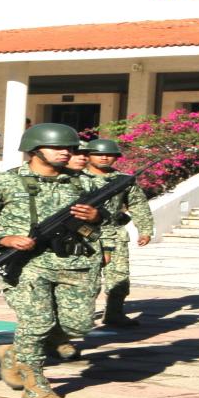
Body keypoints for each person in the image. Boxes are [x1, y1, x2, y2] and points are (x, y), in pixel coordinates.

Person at [0, 123, 103, 398]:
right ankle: (36, 386)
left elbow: (110, 221)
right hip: (27, 266)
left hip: (75, 264)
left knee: (78, 324)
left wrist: (96, 217)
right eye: (57, 148)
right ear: (34, 150)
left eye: (70, 148)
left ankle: (13, 353)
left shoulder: (83, 182)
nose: (65, 153)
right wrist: (3, 237)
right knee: (37, 324)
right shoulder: (5, 182)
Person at [83, 138, 155, 327]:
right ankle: (82, 316)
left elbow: (138, 205)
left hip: (114, 233)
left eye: (109, 155)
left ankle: (114, 313)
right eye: (98, 154)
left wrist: (145, 230)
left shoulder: (124, 180)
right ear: (88, 156)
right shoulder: (76, 178)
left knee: (119, 276)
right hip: (84, 234)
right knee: (86, 277)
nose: (105, 158)